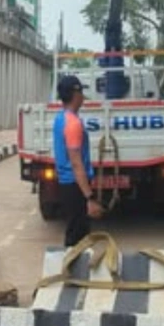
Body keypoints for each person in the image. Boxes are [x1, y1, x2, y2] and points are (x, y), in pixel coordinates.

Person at [52, 75, 104, 247]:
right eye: (81, 92)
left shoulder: (61, 118)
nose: (83, 97)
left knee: (76, 233)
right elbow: (76, 163)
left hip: (68, 184)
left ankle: (73, 268)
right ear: (76, 94)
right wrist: (89, 197)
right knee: (77, 237)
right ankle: (71, 270)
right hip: (75, 186)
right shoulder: (73, 124)